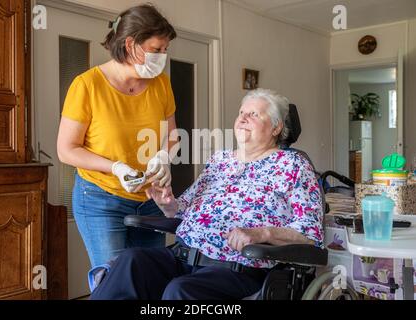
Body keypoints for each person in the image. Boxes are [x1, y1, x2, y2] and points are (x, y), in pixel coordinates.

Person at [89, 89, 324, 300]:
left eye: (254, 114)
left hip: (236, 268)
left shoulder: (293, 165)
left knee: (180, 290)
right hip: (183, 256)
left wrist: (261, 233)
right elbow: (183, 209)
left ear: (276, 127)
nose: (242, 118)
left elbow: (310, 233)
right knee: (131, 262)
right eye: (241, 112)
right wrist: (168, 204)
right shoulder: (220, 160)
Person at [57, 4, 178, 268]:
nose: (162, 57)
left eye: (165, 50)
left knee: (148, 277)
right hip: (101, 198)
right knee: (113, 280)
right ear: (131, 44)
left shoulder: (162, 84)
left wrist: (164, 156)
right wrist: (116, 168)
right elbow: (67, 150)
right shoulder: (87, 85)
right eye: (156, 50)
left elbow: (172, 136)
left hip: (149, 200)